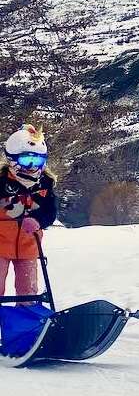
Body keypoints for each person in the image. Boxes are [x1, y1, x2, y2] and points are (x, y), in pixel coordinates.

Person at [0, 125, 57, 304]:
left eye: (38, 162)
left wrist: (38, 220)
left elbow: (50, 211)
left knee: (28, 291)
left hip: (29, 246)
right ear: (13, 160)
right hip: (0, 244)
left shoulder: (45, 183)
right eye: (26, 161)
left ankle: (26, 327)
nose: (32, 167)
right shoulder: (2, 182)